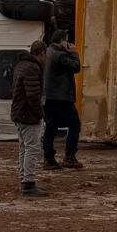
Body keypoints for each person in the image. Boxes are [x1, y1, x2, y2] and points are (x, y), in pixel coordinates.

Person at [42, 30, 83, 169]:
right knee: (75, 125)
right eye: (67, 40)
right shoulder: (59, 55)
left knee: (51, 127)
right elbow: (76, 67)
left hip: (49, 97)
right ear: (62, 41)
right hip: (61, 97)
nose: (69, 43)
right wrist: (74, 52)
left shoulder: (48, 52)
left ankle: (48, 158)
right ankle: (69, 157)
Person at [10, 45, 47, 196]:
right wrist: (39, 113)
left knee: (24, 148)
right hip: (28, 114)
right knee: (32, 149)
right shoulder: (32, 68)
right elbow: (33, 95)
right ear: (41, 53)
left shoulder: (21, 65)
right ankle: (29, 183)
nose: (46, 58)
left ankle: (24, 179)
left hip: (19, 112)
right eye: (45, 54)